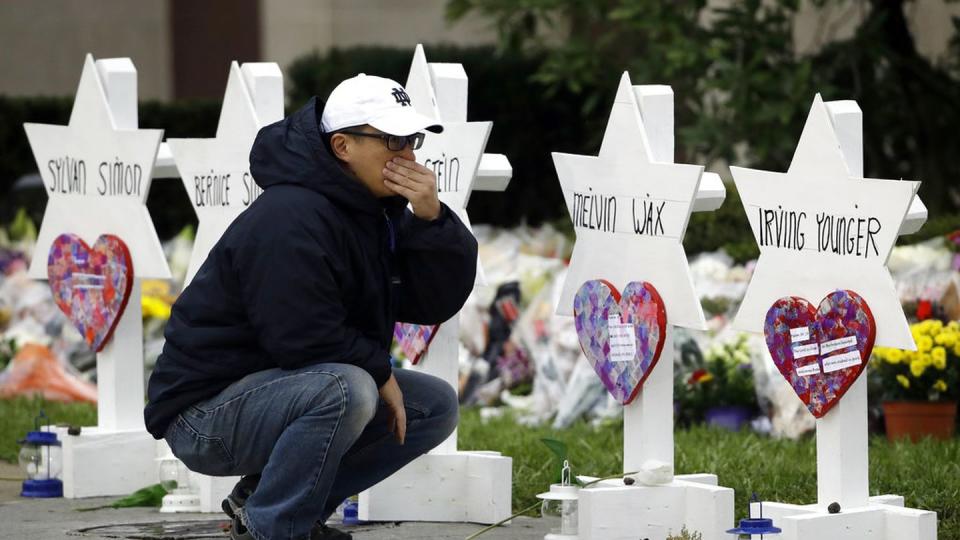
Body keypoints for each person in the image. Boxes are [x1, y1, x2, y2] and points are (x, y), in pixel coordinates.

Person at [144, 74, 477, 540]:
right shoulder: (291, 214)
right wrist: (380, 374)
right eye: (392, 139)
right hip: (202, 416)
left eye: (411, 139)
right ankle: (275, 528)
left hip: (278, 389)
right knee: (349, 388)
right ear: (342, 146)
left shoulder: (371, 211)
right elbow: (300, 336)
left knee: (433, 405)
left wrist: (432, 220)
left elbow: (431, 302)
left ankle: (264, 502)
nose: (408, 155)